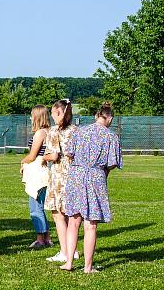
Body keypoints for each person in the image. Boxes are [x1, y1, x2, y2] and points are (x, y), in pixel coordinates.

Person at [61, 103, 122, 273]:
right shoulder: (111, 137)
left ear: (96, 116)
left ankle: (69, 263)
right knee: (90, 224)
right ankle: (88, 267)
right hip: (96, 176)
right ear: (109, 118)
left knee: (73, 221)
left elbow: (69, 153)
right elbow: (112, 164)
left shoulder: (79, 131)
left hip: (76, 175)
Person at [42, 99, 79, 263]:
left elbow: (55, 155)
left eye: (52, 112)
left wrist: (44, 157)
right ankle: (74, 250)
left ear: (58, 112)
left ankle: (65, 251)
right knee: (72, 215)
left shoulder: (54, 131)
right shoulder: (77, 131)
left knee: (58, 214)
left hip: (59, 176)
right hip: (75, 175)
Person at [20, 105, 52, 249]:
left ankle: (40, 239)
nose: (31, 118)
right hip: (44, 171)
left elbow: (32, 156)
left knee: (35, 207)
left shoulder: (40, 133)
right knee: (40, 205)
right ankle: (47, 237)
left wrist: (22, 162)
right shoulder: (50, 131)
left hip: (38, 172)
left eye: (32, 115)